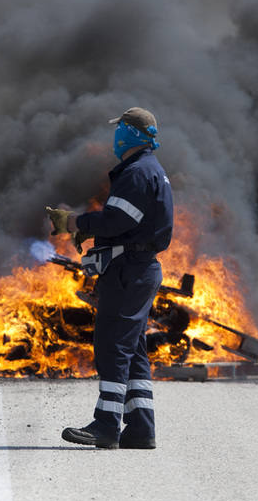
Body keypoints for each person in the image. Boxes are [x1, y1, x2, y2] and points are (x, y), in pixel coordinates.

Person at [46, 107, 173, 449]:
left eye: (119, 130)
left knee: (113, 345)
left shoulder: (136, 173)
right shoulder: (152, 171)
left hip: (129, 272)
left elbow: (117, 220)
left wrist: (76, 223)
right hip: (139, 269)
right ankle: (140, 428)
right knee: (132, 350)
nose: (114, 137)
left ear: (129, 134)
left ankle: (106, 424)